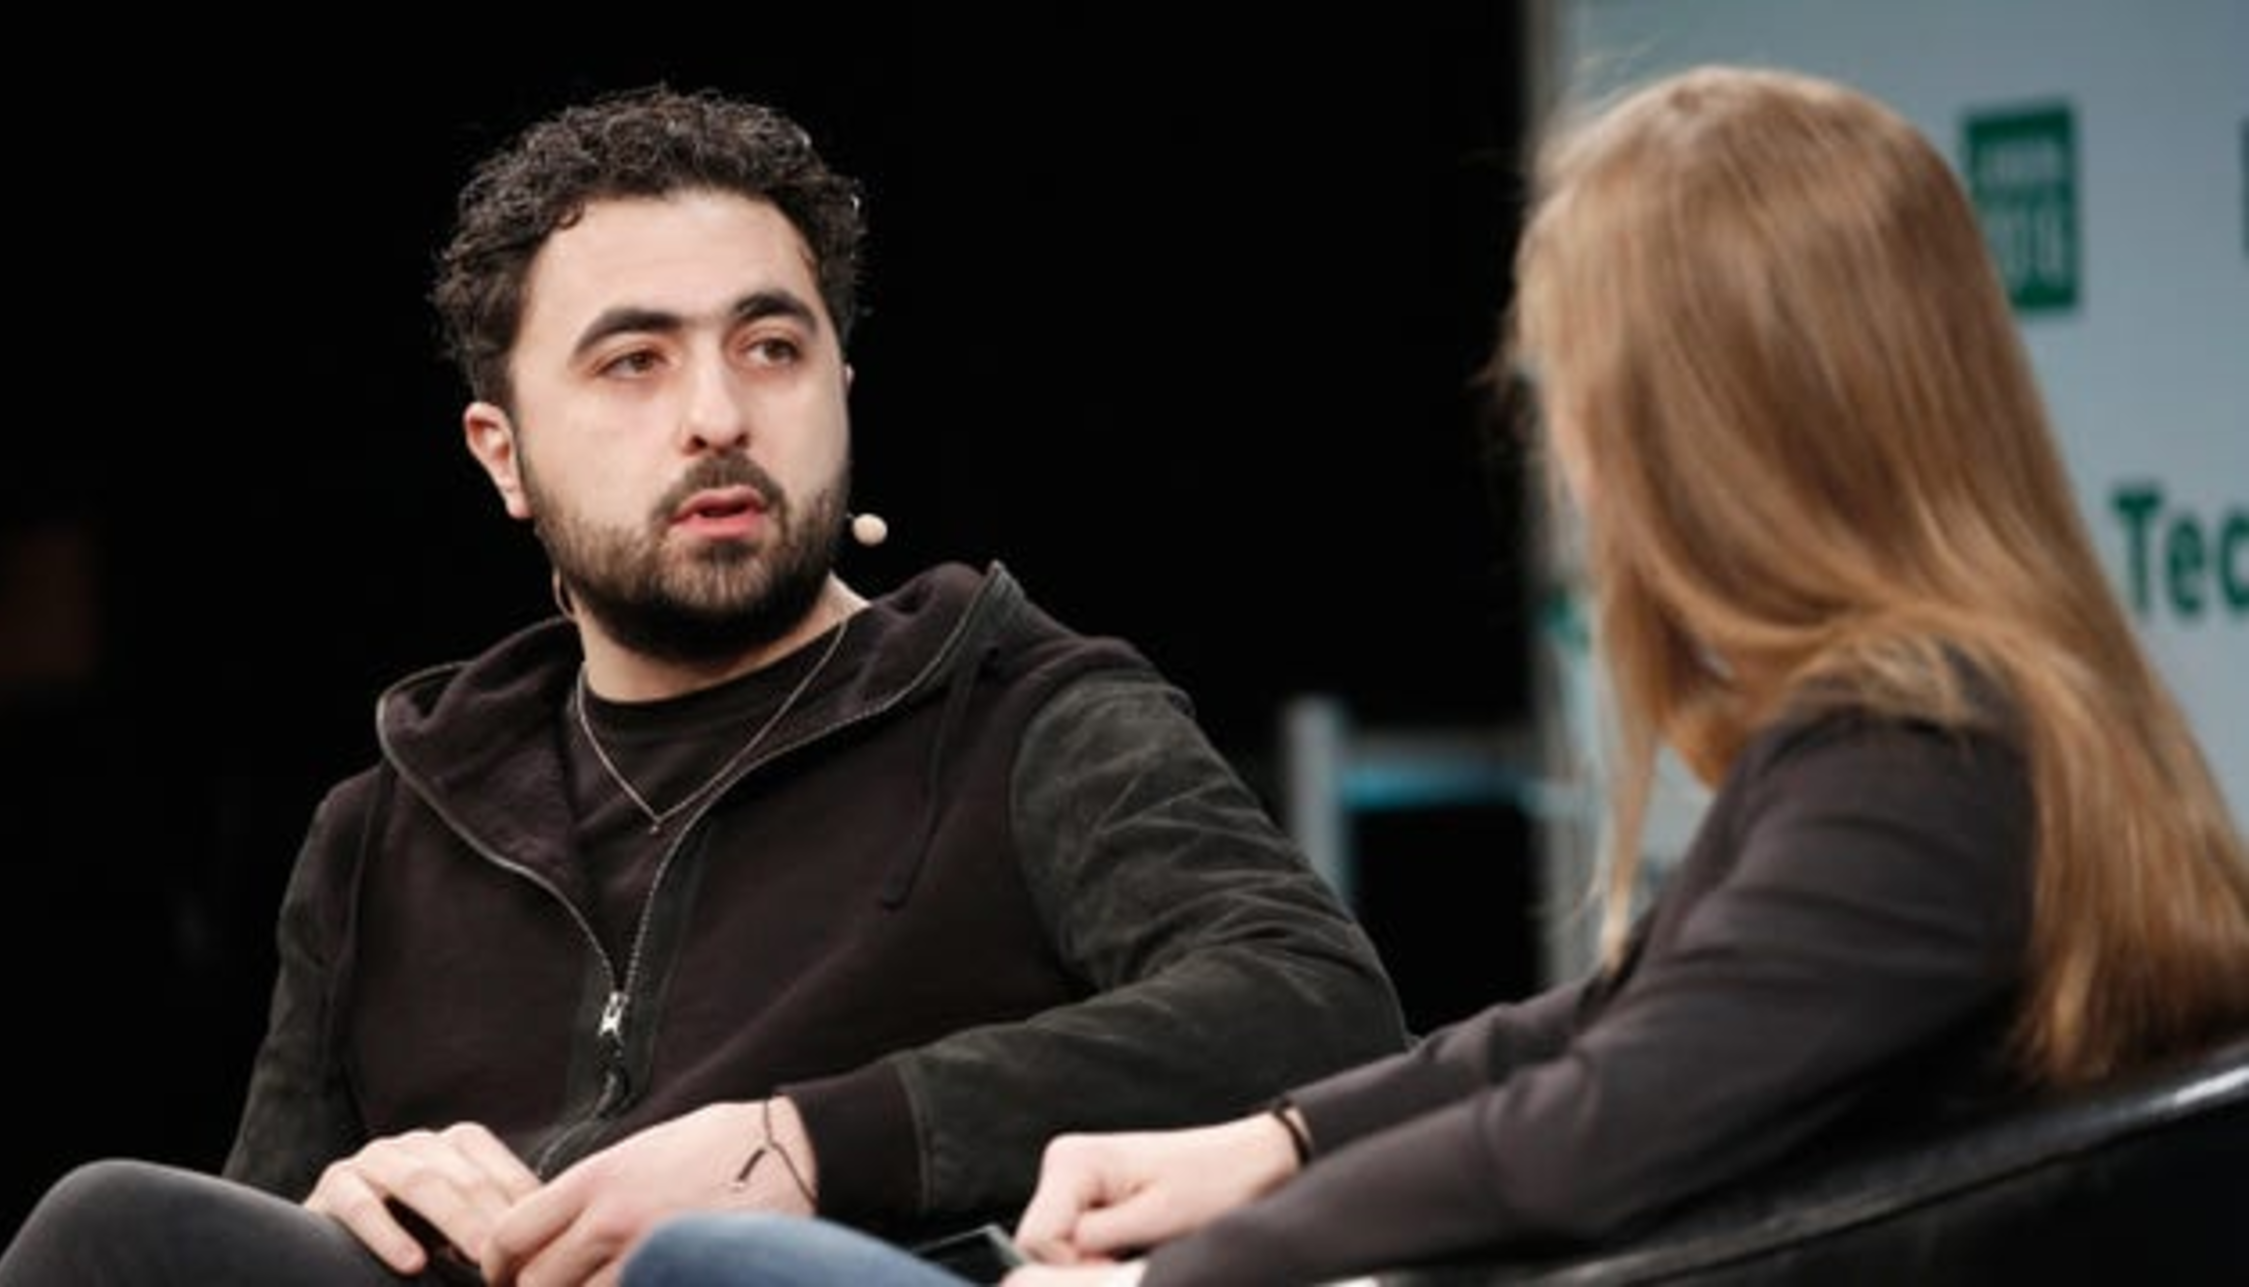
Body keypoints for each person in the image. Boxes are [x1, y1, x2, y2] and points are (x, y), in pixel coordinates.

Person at [608, 63, 2249, 1287]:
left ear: (1711, 431)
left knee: (710, 1263)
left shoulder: (1918, 756)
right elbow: (1596, 1028)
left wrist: (1182, 1278)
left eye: (1574, 401)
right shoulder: (1944, 727)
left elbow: (1595, 1123)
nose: (1573, 469)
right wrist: (1269, 1145)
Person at [0, 84, 1413, 1286]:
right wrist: (341, 1200)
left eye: (770, 348)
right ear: (502, 454)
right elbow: (256, 1226)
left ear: (841, 388)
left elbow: (1315, 1006)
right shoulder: (383, 833)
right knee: (117, 1225)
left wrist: (807, 1145)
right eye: (633, 362)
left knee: (712, 1264)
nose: (717, 415)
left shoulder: (1025, 711)